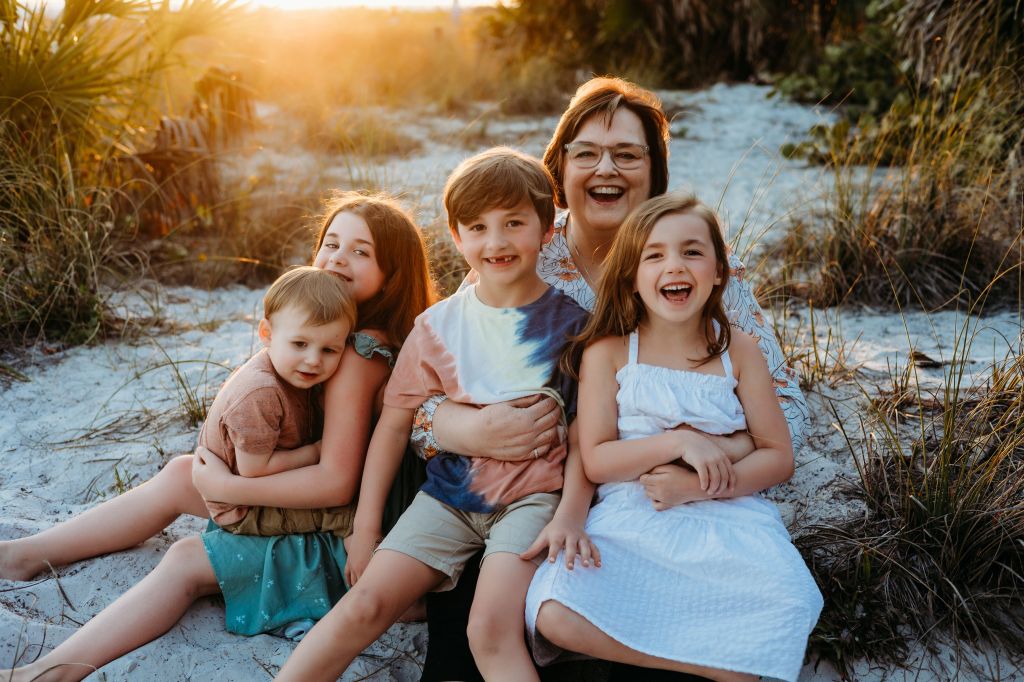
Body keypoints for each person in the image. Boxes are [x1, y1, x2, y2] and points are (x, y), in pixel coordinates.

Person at [416, 76, 810, 681]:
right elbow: (425, 400)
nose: (608, 168)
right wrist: (467, 427)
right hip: (537, 492)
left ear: (655, 173)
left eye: (628, 154)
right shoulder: (518, 258)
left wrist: (701, 455)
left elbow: (789, 412)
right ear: (559, 169)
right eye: (587, 154)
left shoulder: (702, 273)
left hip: (671, 505)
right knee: (494, 606)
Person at [1, 193, 435, 682]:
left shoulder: (359, 355)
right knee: (180, 474)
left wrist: (231, 489)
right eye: (331, 242)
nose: (337, 257)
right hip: (338, 512)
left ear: (392, 273)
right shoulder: (336, 330)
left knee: (187, 558)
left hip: (354, 540)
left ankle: (46, 673)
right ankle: (21, 555)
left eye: (361, 251)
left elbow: (336, 482)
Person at [274, 148, 597, 682]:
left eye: (514, 223)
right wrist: (367, 526)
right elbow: (394, 426)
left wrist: (570, 513)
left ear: (546, 229)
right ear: (456, 236)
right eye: (478, 227)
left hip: (533, 501)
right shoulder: (437, 327)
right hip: (447, 498)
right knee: (363, 606)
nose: (495, 242)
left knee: (490, 630)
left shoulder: (574, 327)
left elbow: (589, 430)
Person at [526, 192, 822, 682]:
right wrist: (678, 443)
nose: (674, 266)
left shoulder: (740, 353)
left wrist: (696, 485)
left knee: (788, 600)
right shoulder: (610, 352)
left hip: (728, 519)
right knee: (555, 612)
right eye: (654, 255)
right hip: (633, 519)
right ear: (632, 276)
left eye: (692, 251)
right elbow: (597, 459)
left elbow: (777, 455)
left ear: (720, 271)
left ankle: (727, 660)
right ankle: (709, 665)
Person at [199, 265, 357, 538]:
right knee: (351, 514)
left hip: (257, 490)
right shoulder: (260, 392)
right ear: (267, 334)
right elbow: (253, 470)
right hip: (244, 508)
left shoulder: (290, 371)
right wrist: (317, 452)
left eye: (329, 350)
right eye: (300, 344)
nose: (314, 360)